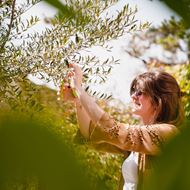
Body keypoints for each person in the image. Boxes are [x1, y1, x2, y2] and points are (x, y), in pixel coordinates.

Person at [58, 63, 184, 190]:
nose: (133, 96)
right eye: (133, 91)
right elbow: (89, 135)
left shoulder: (168, 133)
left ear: (158, 100)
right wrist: (78, 101)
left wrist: (79, 89)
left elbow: (114, 129)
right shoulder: (138, 142)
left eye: (140, 92)